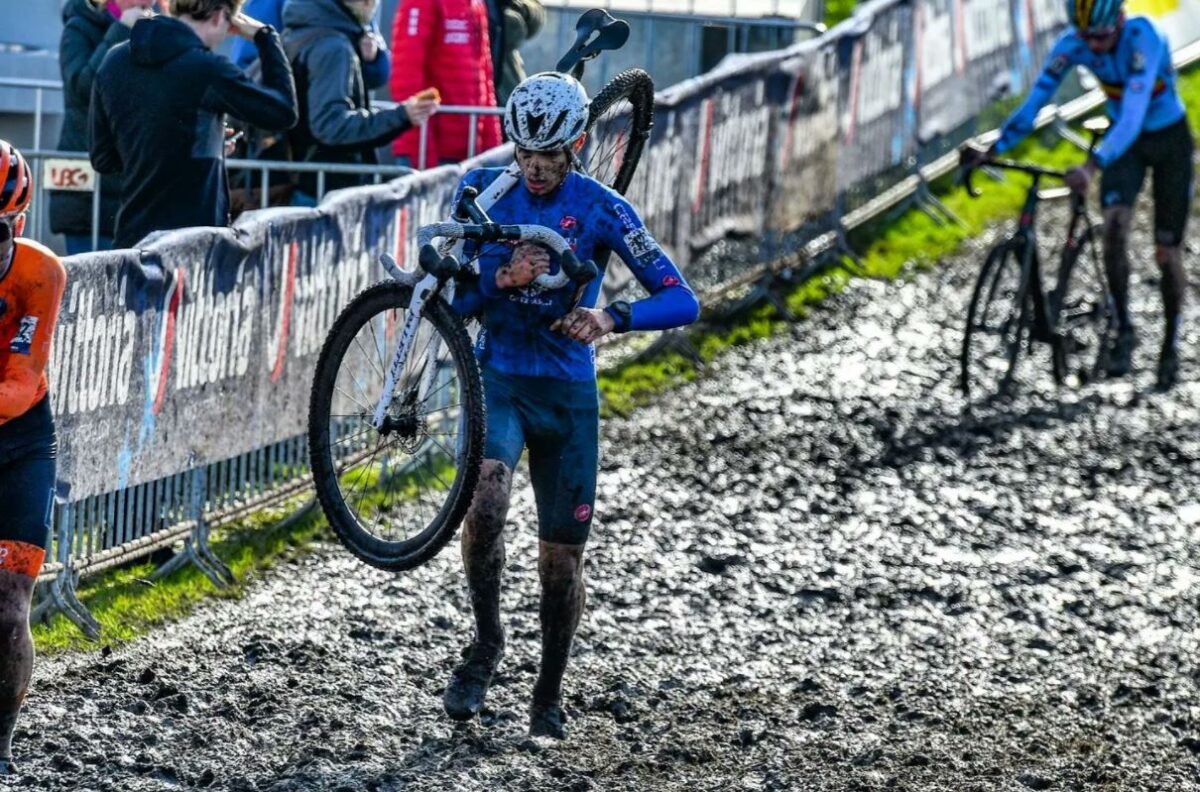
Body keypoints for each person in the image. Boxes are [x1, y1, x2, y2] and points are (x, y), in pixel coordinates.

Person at [444, 72, 700, 739]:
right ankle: (485, 645)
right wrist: (501, 276)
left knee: (561, 559)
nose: (533, 169)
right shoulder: (482, 191)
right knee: (485, 504)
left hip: (568, 395)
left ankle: (548, 691)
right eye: (524, 153)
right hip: (499, 378)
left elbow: (681, 297)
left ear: (576, 145)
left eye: (549, 157)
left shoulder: (601, 207)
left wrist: (612, 318)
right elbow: (456, 301)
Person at [979, 0, 1192, 389]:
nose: (1093, 46)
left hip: (1167, 141)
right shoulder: (1071, 44)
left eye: (1101, 37)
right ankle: (1123, 329)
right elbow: (1037, 98)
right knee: (1113, 229)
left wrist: (1093, 165)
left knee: (1166, 252)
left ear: (1120, 20)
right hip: (1123, 144)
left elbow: (1133, 113)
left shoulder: (1144, 38)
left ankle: (1170, 344)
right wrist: (994, 148)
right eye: (1086, 38)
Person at [89, 0, 299, 249]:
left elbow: (104, 158)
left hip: (134, 242)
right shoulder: (207, 68)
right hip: (195, 246)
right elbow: (283, 111)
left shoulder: (114, 60)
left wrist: (200, 141)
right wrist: (266, 38)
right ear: (220, 16)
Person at [0, 143, 68, 775]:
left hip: (18, 440)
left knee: (9, 603)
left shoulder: (39, 272)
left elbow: (22, 380)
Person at [282, 0, 438, 196]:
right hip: (320, 190)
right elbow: (331, 127)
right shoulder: (332, 47)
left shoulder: (301, 32)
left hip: (304, 181)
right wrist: (401, 115)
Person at [52, 0, 156, 254]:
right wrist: (121, 30)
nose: (147, 2)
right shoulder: (79, 28)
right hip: (89, 196)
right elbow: (84, 88)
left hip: (132, 190)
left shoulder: (153, 29)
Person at [389, 0, 501, 167]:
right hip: (429, 158)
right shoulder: (420, 3)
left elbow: (485, 79)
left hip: (469, 155)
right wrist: (423, 154)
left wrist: (493, 153)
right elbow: (406, 78)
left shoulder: (476, 4)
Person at [232, 0, 391, 91]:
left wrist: (372, 58)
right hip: (290, 125)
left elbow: (379, 74)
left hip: (340, 117)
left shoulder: (355, 5)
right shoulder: (270, 3)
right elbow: (249, 64)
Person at [485, 0, 545, 106]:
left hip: (505, 93)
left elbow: (535, 17)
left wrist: (519, 7)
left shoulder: (511, 13)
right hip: (457, 94)